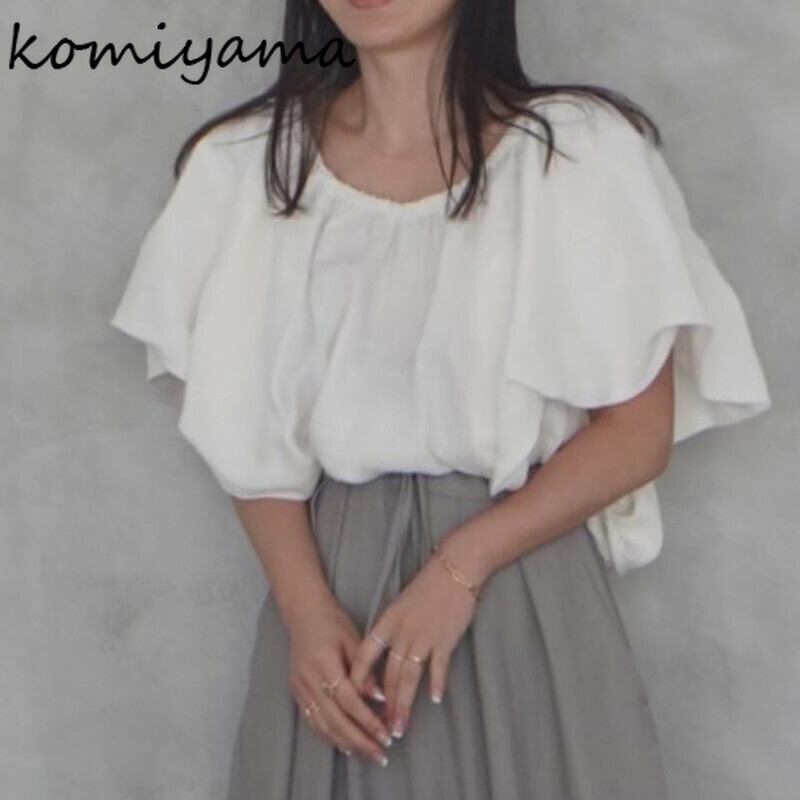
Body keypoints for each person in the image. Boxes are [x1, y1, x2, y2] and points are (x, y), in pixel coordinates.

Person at [109, 0, 772, 797]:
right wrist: (305, 613)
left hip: (524, 586)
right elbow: (242, 429)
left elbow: (637, 433)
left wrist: (461, 568)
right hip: (332, 605)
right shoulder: (248, 167)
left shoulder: (578, 154)